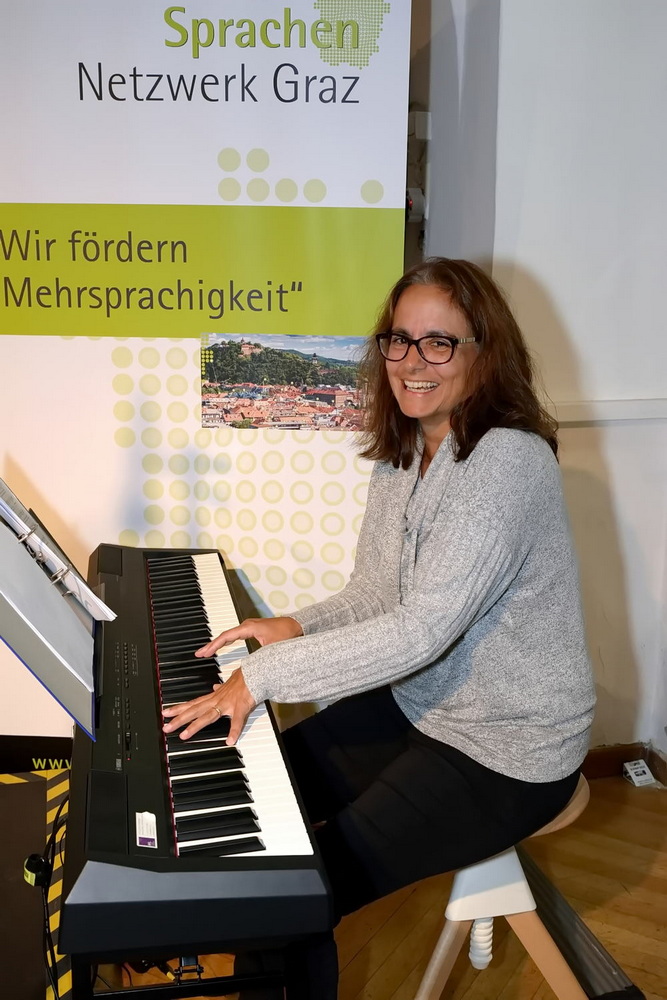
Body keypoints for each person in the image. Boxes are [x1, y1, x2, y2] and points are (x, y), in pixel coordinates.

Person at [163, 258, 596, 999]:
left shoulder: (507, 462)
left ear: (483, 352)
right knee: (255, 790)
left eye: (439, 343)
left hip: (509, 749)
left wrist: (261, 676)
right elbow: (374, 594)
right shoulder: (407, 452)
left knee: (292, 897)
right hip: (424, 705)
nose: (412, 361)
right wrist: (293, 624)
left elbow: (420, 631)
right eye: (399, 339)